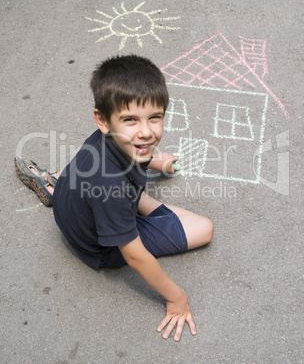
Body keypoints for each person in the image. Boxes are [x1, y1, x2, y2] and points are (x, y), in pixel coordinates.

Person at [14, 55, 213, 342]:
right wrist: (177, 298)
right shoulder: (111, 188)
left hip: (71, 206)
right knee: (203, 227)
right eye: (131, 120)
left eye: (154, 117)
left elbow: (133, 150)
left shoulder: (110, 138)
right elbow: (134, 255)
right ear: (102, 119)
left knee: (126, 179)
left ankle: (54, 184)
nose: (145, 131)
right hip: (99, 245)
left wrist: (155, 162)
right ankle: (63, 188)